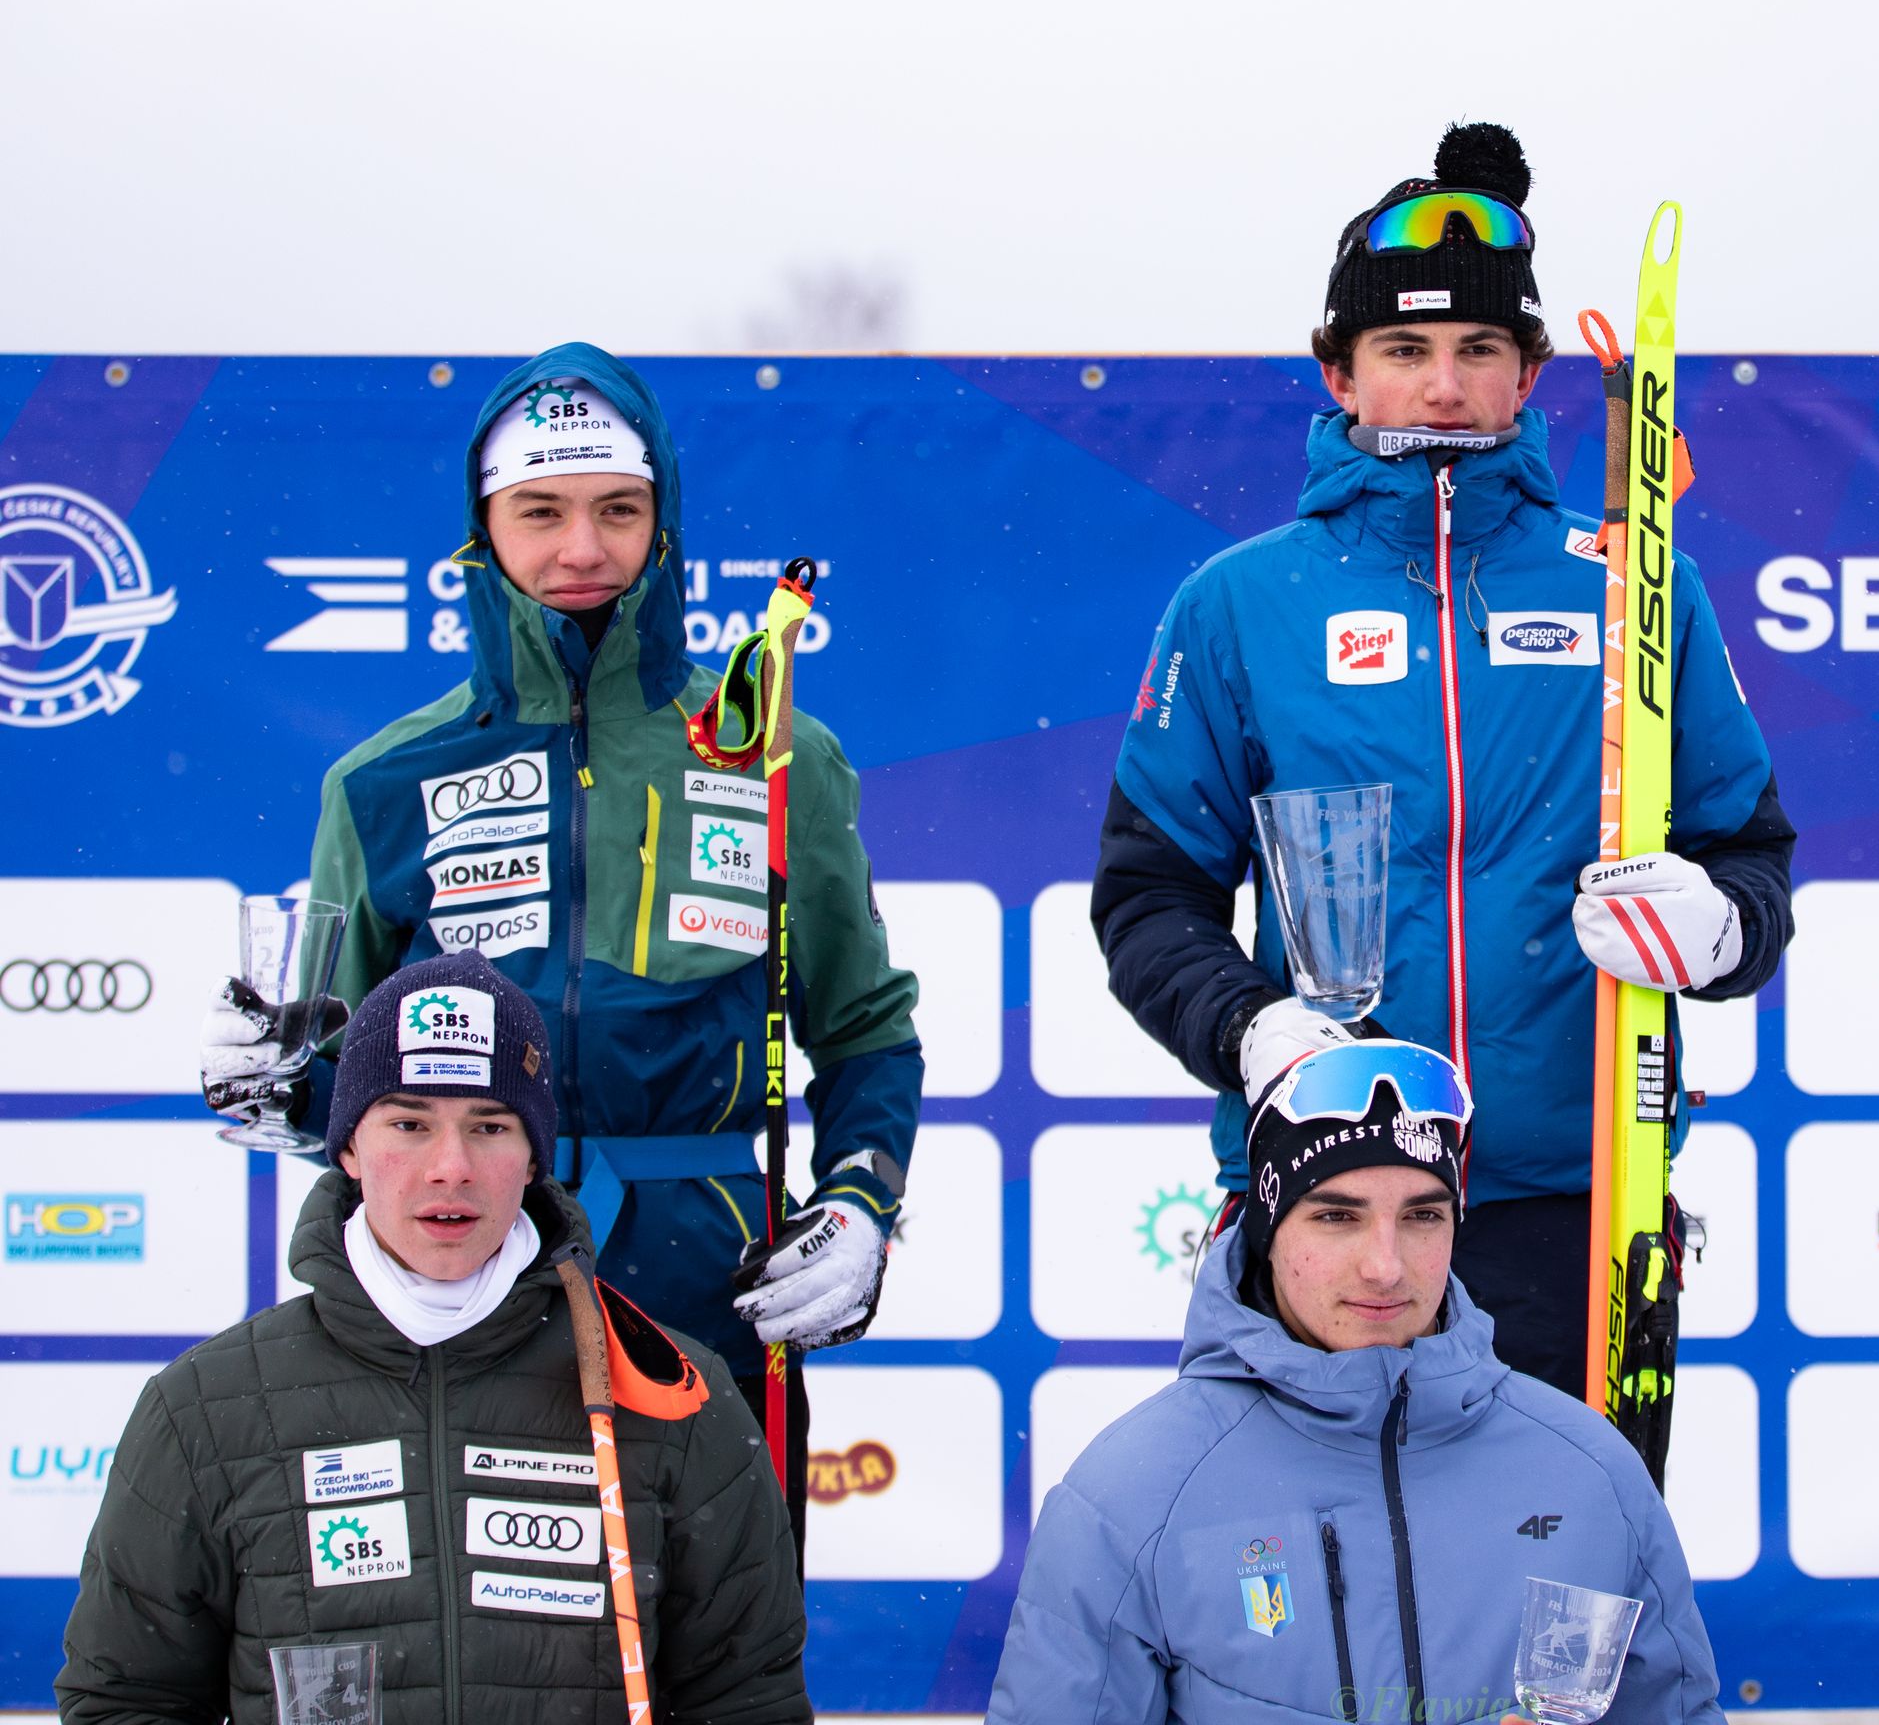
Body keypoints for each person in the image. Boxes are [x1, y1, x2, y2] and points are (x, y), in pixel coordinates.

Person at [1090, 123, 1796, 1396]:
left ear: (1529, 373)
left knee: (1563, 1586)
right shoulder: (1241, 603)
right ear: (1339, 373)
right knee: (1314, 1580)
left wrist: (1717, 928)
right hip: (1323, 1190)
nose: (1443, 386)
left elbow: (1751, 863)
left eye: (1480, 351)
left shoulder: (1638, 584)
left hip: (1579, 1201)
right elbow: (1149, 901)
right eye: (1404, 351)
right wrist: (1253, 1033)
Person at [195, 342, 922, 1551]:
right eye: (541, 511)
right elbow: (338, 1072)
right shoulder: (382, 780)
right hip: (460, 1268)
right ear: (483, 531)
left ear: (664, 523)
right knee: (475, 1645)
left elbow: (865, 1031)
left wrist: (859, 1207)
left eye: (617, 510)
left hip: (705, 1285)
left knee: (719, 1648)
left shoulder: (778, 750)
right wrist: (274, 1081)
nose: (581, 548)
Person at [63, 954, 808, 1725]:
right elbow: (124, 1702)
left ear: (532, 1158)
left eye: (489, 1126)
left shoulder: (674, 1395)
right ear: (347, 1148)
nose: (450, 1168)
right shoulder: (205, 1410)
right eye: (410, 1124)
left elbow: (750, 1701)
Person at [989, 1039, 1724, 1724]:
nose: (1385, 1266)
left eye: (1423, 1216)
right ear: (1269, 1231)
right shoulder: (1133, 1492)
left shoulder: (1590, 1474)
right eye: (1337, 1216)